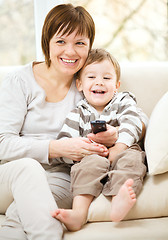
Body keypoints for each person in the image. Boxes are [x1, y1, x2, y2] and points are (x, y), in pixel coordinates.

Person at [0, 4, 119, 240]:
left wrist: (115, 133)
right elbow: (2, 143)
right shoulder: (19, 81)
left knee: (20, 217)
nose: (71, 52)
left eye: (80, 43)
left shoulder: (88, 84)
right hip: (10, 174)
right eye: (61, 41)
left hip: (59, 177)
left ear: (89, 46)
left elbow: (134, 114)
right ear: (47, 42)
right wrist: (56, 148)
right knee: (28, 168)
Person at [51, 49, 147, 231]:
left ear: (117, 85)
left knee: (131, 160)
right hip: (91, 157)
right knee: (87, 166)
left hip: (124, 149)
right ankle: (79, 214)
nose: (99, 82)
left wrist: (119, 147)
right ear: (79, 84)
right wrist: (82, 150)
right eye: (92, 77)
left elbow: (133, 122)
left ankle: (119, 199)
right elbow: (65, 143)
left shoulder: (123, 101)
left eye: (107, 78)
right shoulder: (77, 113)